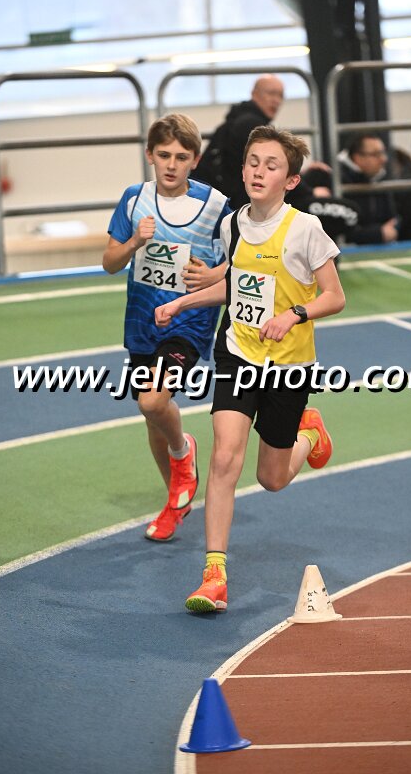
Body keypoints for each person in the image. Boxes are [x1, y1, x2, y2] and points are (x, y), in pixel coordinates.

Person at [156, 126, 346, 613]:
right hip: (237, 352)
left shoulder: (305, 229)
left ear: (291, 181)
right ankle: (214, 575)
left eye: (272, 165)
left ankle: (310, 434)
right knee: (224, 458)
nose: (259, 172)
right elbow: (237, 285)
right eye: (253, 162)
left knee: (272, 479)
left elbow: (334, 296)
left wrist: (294, 314)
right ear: (242, 170)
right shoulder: (233, 225)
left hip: (288, 365)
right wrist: (183, 303)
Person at [103, 113, 230, 543]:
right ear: (149, 155)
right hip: (143, 319)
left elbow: (242, 259)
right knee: (152, 417)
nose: (171, 165)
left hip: (188, 321)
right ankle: (174, 500)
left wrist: (212, 275)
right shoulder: (134, 199)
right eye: (164, 155)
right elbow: (109, 263)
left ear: (195, 160)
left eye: (181, 156)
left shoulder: (215, 206)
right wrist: (134, 242)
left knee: (153, 400)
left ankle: (183, 451)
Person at [192, 74, 285, 209]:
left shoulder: (234, 121)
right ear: (254, 94)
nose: (276, 100)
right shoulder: (252, 127)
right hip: (228, 205)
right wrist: (309, 193)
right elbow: (276, 171)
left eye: (280, 95)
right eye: (271, 93)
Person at [338, 132, 399, 245]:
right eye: (376, 154)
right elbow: (341, 231)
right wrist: (377, 234)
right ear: (357, 158)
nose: (384, 159)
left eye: (383, 153)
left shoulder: (380, 177)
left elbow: (392, 218)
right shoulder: (338, 182)